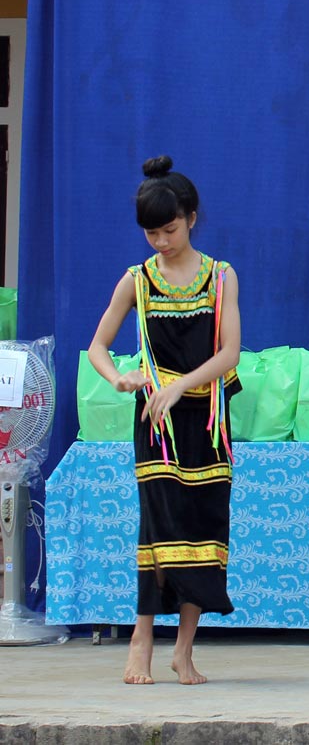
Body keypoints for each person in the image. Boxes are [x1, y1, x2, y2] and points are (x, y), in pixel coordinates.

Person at [87, 155, 241, 685]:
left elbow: (229, 353)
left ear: (192, 218)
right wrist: (118, 378)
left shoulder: (221, 277)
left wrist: (181, 384)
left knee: (204, 526)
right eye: (152, 233)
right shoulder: (137, 280)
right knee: (159, 526)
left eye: (169, 229)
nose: (161, 241)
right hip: (156, 420)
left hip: (207, 417)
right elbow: (98, 346)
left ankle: (184, 649)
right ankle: (141, 640)